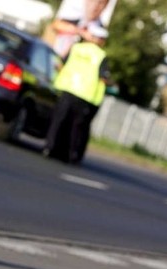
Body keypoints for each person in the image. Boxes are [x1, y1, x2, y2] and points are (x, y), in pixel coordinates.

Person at [44, 23, 110, 164]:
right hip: (85, 96)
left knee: (59, 122)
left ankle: (50, 148)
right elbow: (103, 78)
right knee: (76, 128)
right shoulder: (101, 55)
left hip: (67, 89)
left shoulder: (76, 48)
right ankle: (68, 155)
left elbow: (59, 64)